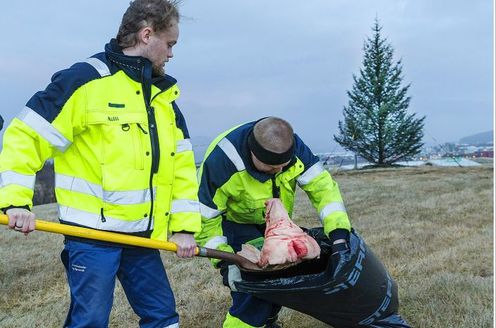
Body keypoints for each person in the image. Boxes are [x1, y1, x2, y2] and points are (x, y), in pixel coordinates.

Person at [0, 0, 201, 327]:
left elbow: (180, 168)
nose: (172, 53)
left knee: (163, 317)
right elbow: (25, 135)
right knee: (90, 321)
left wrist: (182, 227)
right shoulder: (84, 81)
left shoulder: (162, 98)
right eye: (170, 43)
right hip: (91, 237)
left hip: (141, 237)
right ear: (147, 35)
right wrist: (15, 201)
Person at [195, 117, 352, 328]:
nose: (277, 171)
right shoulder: (221, 163)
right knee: (252, 287)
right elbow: (205, 218)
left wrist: (339, 234)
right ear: (253, 153)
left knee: (280, 274)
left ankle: (267, 323)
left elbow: (324, 190)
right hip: (233, 221)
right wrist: (226, 260)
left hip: (272, 221)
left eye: (282, 166)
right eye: (270, 167)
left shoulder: (293, 148)